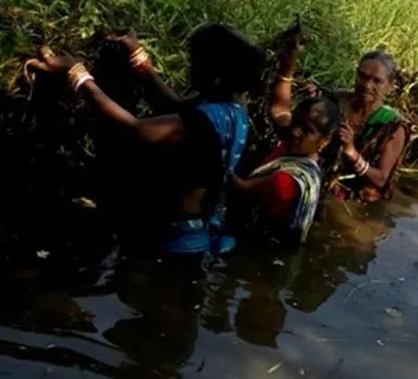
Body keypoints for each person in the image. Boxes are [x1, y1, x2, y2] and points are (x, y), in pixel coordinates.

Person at [31, 24, 265, 255]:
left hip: (172, 241)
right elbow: (174, 105)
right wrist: (139, 59)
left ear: (215, 75)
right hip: (194, 234)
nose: (189, 69)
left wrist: (77, 74)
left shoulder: (205, 120)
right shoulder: (232, 107)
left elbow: (137, 129)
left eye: (195, 64)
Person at [233, 96, 339, 242]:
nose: (296, 132)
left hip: (263, 246)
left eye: (307, 130)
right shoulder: (288, 148)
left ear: (324, 141)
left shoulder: (292, 180)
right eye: (296, 123)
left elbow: (241, 188)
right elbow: (280, 107)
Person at [325, 51, 408, 202]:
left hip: (357, 196)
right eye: (363, 77)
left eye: (377, 81)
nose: (367, 85)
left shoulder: (392, 125)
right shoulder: (337, 101)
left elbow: (381, 179)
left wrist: (352, 153)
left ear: (389, 86)